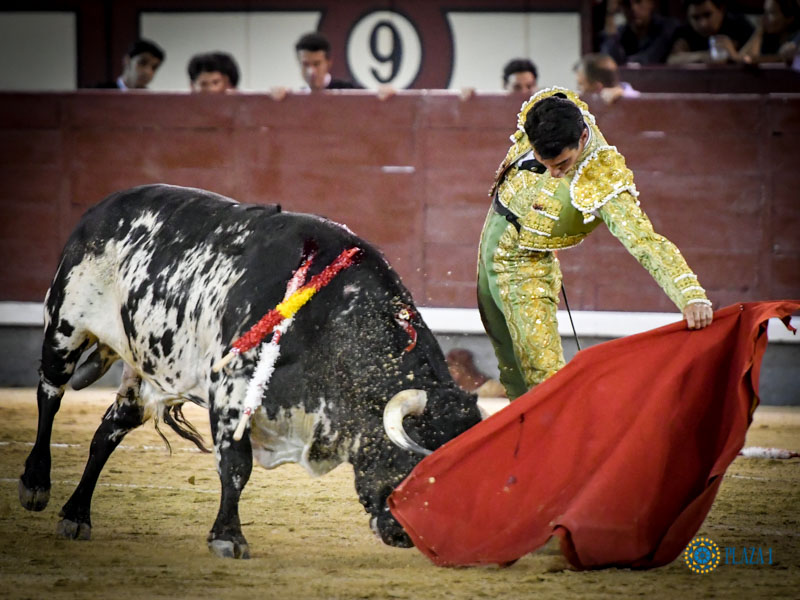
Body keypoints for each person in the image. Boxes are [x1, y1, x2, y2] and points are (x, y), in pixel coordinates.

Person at [478, 87, 713, 399]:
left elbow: (644, 241)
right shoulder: (546, 111)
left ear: (583, 137)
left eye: (563, 163)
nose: (555, 173)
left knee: (541, 376)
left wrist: (690, 295)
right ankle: (526, 443)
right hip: (489, 245)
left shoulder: (602, 175)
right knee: (510, 366)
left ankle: (560, 445)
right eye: (545, 162)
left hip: (526, 265)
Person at [668, 0, 754, 64]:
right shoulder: (684, 31)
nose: (703, 24)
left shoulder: (739, 26)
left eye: (707, 15)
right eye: (695, 17)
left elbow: (755, 58)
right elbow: (671, 60)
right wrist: (703, 56)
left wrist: (734, 56)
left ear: (721, 10)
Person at [600, 0, 679, 65]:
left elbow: (649, 59)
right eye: (627, 4)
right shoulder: (621, 32)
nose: (633, 8)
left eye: (638, 2)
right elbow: (607, 61)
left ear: (651, 3)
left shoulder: (668, 27)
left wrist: (623, 62)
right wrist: (610, 14)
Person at [295, 31, 360, 91]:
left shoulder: (351, 91)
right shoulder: (295, 99)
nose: (311, 71)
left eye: (316, 64)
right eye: (306, 64)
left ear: (328, 63)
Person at [94, 39, 165, 90]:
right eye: (142, 63)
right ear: (127, 61)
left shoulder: (153, 101)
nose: (148, 72)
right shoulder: (98, 93)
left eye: (154, 67)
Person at [574, 53, 640, 104]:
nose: (579, 91)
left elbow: (636, 98)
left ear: (597, 87)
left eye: (581, 84)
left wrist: (622, 95)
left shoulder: (631, 96)